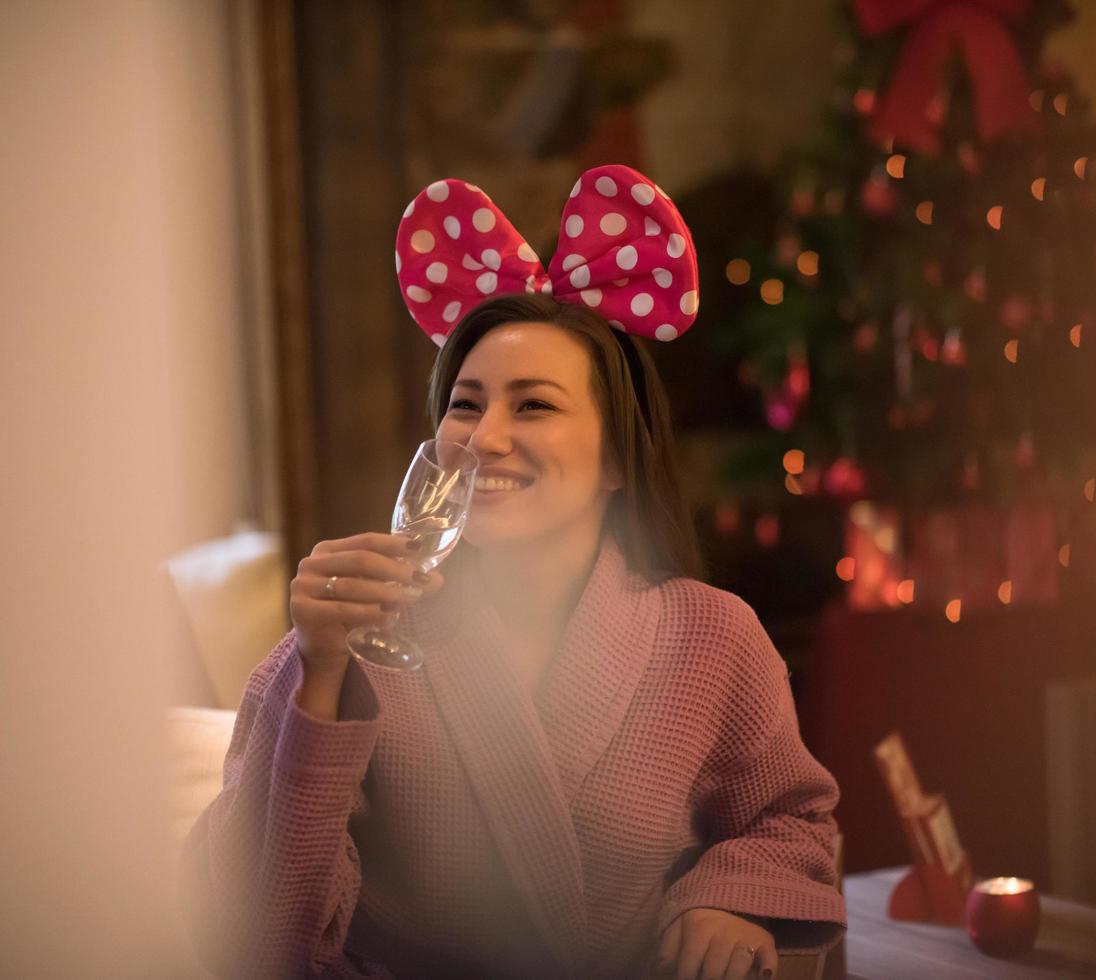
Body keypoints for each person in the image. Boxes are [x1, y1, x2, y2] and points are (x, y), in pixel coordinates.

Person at [181, 166, 846, 980]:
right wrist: (318, 678)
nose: (483, 437)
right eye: (465, 404)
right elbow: (254, 932)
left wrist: (726, 896)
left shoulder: (709, 635)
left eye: (532, 405)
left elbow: (792, 820)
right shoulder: (348, 638)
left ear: (615, 459)